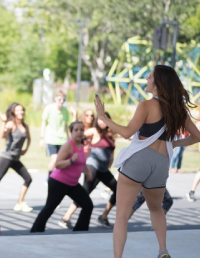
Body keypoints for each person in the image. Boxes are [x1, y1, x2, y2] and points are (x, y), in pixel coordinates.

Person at [94, 65, 200, 258]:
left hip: (140, 159)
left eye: (149, 76)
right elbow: (197, 136)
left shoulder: (146, 105)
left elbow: (126, 132)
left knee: (122, 216)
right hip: (161, 162)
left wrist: (103, 117)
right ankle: (163, 249)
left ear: (158, 83)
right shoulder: (178, 110)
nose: (146, 79)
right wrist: (174, 144)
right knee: (156, 209)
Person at [31, 121, 93, 232]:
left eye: (81, 130)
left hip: (72, 184)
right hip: (58, 183)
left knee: (87, 205)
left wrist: (87, 172)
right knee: (50, 207)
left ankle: (80, 231)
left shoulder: (81, 145)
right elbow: (57, 164)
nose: (79, 132)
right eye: (76, 130)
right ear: (71, 132)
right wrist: (71, 160)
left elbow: (82, 162)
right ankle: (36, 230)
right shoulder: (68, 145)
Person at [60, 112, 117, 229]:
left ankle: (103, 216)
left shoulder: (110, 134)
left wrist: (111, 161)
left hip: (104, 169)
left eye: (104, 120)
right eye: (100, 120)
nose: (102, 122)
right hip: (93, 166)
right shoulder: (94, 131)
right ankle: (66, 218)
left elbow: (111, 151)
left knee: (118, 189)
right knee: (84, 193)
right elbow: (77, 135)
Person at [0, 102, 33, 213]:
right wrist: (4, 122)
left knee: (28, 179)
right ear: (14, 112)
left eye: (22, 110)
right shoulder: (10, 124)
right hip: (7, 157)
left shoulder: (25, 125)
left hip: (16, 159)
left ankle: (20, 203)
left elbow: (29, 139)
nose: (21, 112)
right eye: (18, 110)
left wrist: (25, 149)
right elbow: (2, 136)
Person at [40, 90, 70, 180]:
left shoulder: (65, 110)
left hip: (62, 139)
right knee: (54, 160)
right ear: (55, 99)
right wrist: (42, 138)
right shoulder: (49, 108)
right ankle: (49, 177)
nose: (62, 101)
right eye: (60, 99)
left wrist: (69, 139)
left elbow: (66, 125)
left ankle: (58, 178)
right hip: (51, 139)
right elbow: (43, 123)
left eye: (64, 99)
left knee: (61, 161)